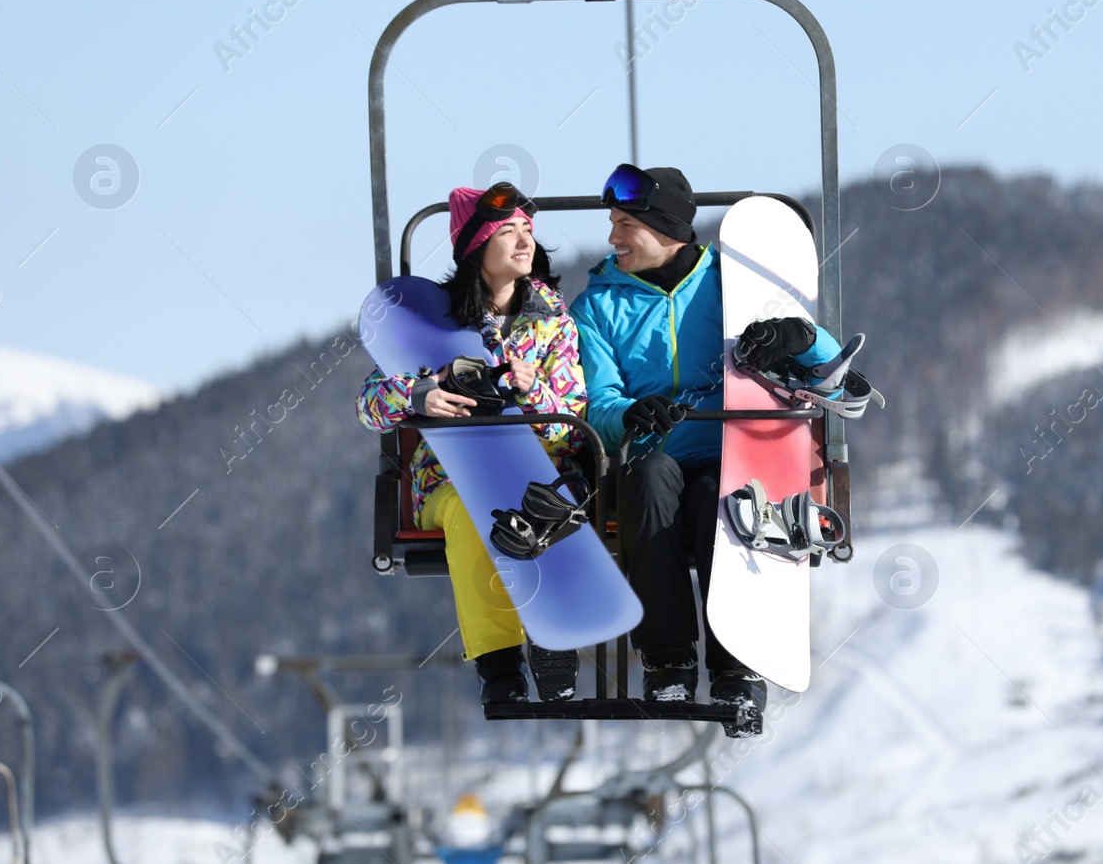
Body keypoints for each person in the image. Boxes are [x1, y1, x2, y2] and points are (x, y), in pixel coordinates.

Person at [570, 165, 842, 735]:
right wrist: (627, 414)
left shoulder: (734, 283)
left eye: (626, 225)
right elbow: (597, 403)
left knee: (717, 498)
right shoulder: (598, 306)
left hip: (733, 455)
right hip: (650, 456)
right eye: (613, 224)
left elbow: (830, 370)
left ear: (667, 228)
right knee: (650, 479)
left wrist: (801, 336)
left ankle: (734, 667)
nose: (614, 238)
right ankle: (667, 658)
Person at [357, 183, 586, 707]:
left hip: (532, 469)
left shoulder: (552, 321)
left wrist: (534, 395)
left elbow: (571, 420)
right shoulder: (431, 323)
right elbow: (367, 406)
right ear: (475, 247)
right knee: (471, 512)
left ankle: (552, 643)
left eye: (528, 229)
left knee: (549, 507)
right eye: (507, 231)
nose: (524, 241)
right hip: (452, 476)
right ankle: (500, 667)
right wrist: (419, 393)